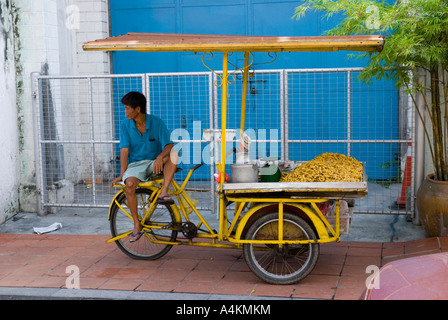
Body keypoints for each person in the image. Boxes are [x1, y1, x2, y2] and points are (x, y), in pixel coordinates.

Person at [111, 91, 178, 242]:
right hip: (136, 165)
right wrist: (122, 174)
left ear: (138, 109)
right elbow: (124, 150)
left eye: (128, 108)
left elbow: (169, 144)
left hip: (155, 162)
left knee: (174, 154)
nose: (125, 111)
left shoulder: (156, 122)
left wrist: (160, 157)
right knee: (129, 185)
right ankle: (136, 223)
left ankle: (164, 191)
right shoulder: (125, 125)